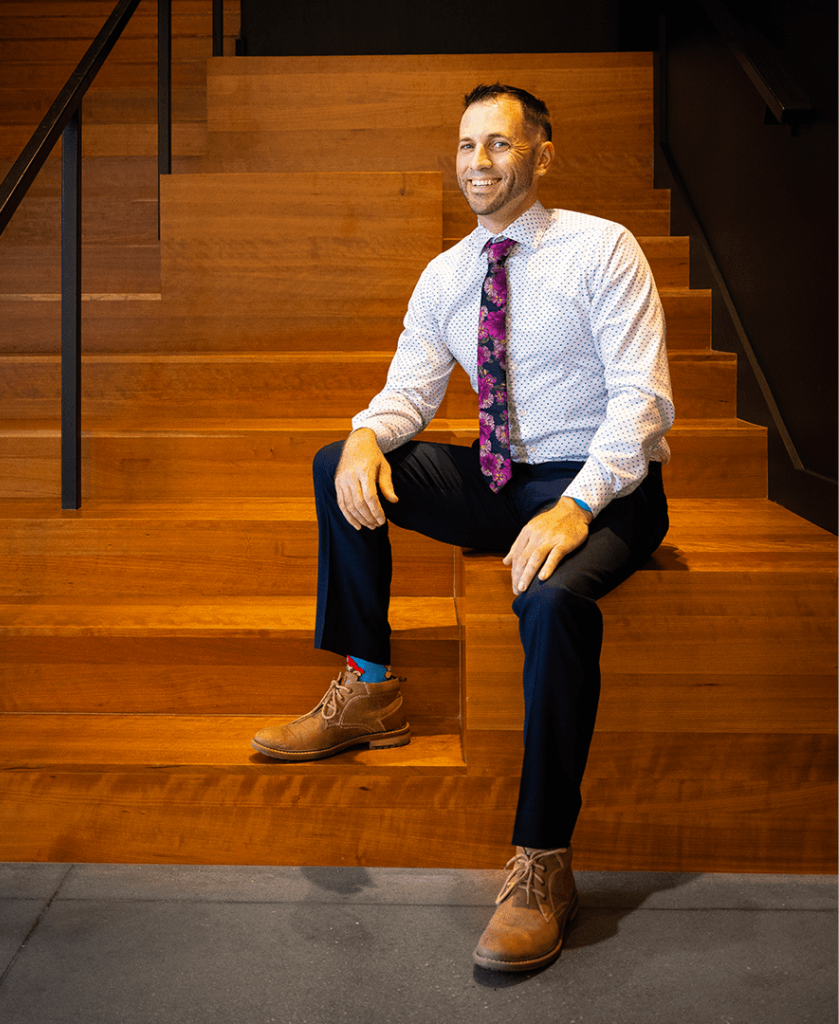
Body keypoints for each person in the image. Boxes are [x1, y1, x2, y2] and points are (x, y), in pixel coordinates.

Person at [252, 83, 674, 973]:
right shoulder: (446, 273)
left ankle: (544, 861)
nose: (478, 162)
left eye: (497, 144)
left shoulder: (601, 249)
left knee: (553, 606)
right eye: (465, 145)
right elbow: (408, 391)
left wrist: (575, 503)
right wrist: (368, 436)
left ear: (540, 155)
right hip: (498, 480)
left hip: (602, 486)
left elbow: (641, 401)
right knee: (340, 461)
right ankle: (368, 685)